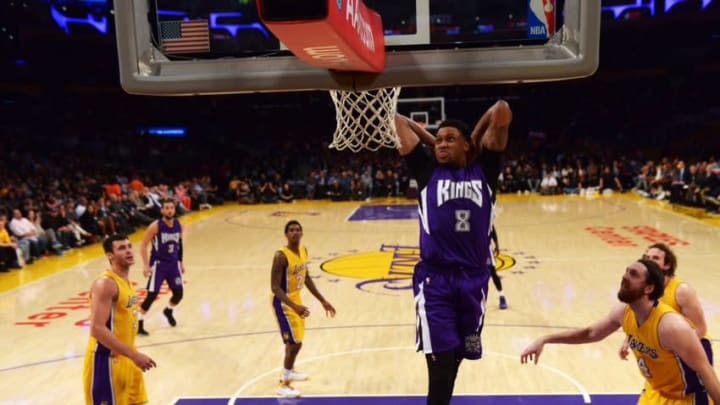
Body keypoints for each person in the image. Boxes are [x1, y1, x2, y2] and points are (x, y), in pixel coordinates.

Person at [394, 99, 511, 405]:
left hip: (474, 281)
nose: (442, 144)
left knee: (459, 354)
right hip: (436, 281)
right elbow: (396, 121)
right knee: (440, 363)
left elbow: (501, 111)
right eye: (439, 139)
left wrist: (473, 137)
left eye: (450, 139)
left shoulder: (485, 171)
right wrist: (435, 143)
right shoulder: (426, 170)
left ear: (468, 146)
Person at [520, 259, 720, 405]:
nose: (624, 276)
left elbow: (706, 371)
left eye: (633, 274)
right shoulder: (624, 311)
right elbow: (590, 333)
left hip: (685, 399)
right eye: (626, 271)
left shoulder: (671, 326)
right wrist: (545, 339)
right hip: (654, 393)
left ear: (649, 288)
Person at [83, 234, 156, 405]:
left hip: (128, 358)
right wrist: (134, 355)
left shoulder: (125, 281)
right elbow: (97, 329)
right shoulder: (105, 284)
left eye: (129, 246)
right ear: (110, 255)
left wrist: (132, 355)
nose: (129, 251)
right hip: (106, 362)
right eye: (122, 248)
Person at [271, 220, 336, 398]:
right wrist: (295, 306)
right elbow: (275, 287)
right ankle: (282, 384)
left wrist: (322, 300)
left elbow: (305, 277)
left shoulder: (303, 251)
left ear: (302, 233)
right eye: (291, 230)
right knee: (295, 343)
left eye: (298, 230)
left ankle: (289, 371)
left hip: (295, 299)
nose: (295, 233)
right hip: (282, 302)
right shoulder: (280, 256)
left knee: (295, 341)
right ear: (286, 234)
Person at [619, 243, 713, 363]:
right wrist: (628, 340)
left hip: (693, 349)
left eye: (655, 258)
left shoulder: (682, 291)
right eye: (647, 258)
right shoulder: (644, 288)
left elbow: (700, 329)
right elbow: (641, 323)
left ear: (667, 265)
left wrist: (678, 350)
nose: (650, 261)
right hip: (667, 350)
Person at [137, 198, 185, 336]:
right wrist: (146, 265)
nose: (169, 210)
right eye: (167, 208)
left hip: (173, 265)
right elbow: (143, 245)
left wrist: (181, 262)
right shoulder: (155, 226)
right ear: (162, 210)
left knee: (178, 294)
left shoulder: (178, 225)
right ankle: (139, 324)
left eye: (171, 208)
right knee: (152, 295)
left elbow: (179, 244)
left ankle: (168, 310)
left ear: (174, 210)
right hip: (158, 265)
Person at [489, 226, 508, 310]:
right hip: (470, 249)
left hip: (485, 248)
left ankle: (502, 296)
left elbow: (491, 228)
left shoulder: (482, 214)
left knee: (492, 273)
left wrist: (496, 244)